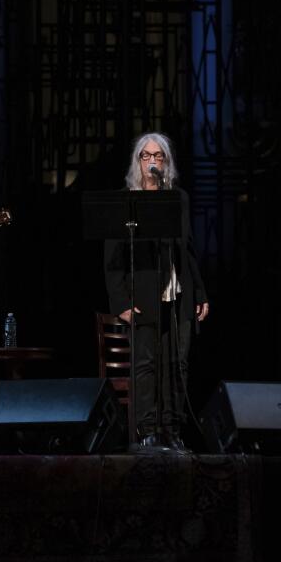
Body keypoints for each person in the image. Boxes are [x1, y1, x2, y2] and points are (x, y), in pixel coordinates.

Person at [104, 132, 209, 452]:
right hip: (143, 297)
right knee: (146, 364)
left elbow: (189, 250)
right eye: (146, 156)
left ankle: (172, 428)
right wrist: (121, 301)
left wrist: (200, 293)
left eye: (158, 156)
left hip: (178, 294)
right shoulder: (127, 200)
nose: (152, 162)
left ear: (167, 162)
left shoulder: (178, 198)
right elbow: (112, 258)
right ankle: (148, 429)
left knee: (177, 363)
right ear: (138, 162)